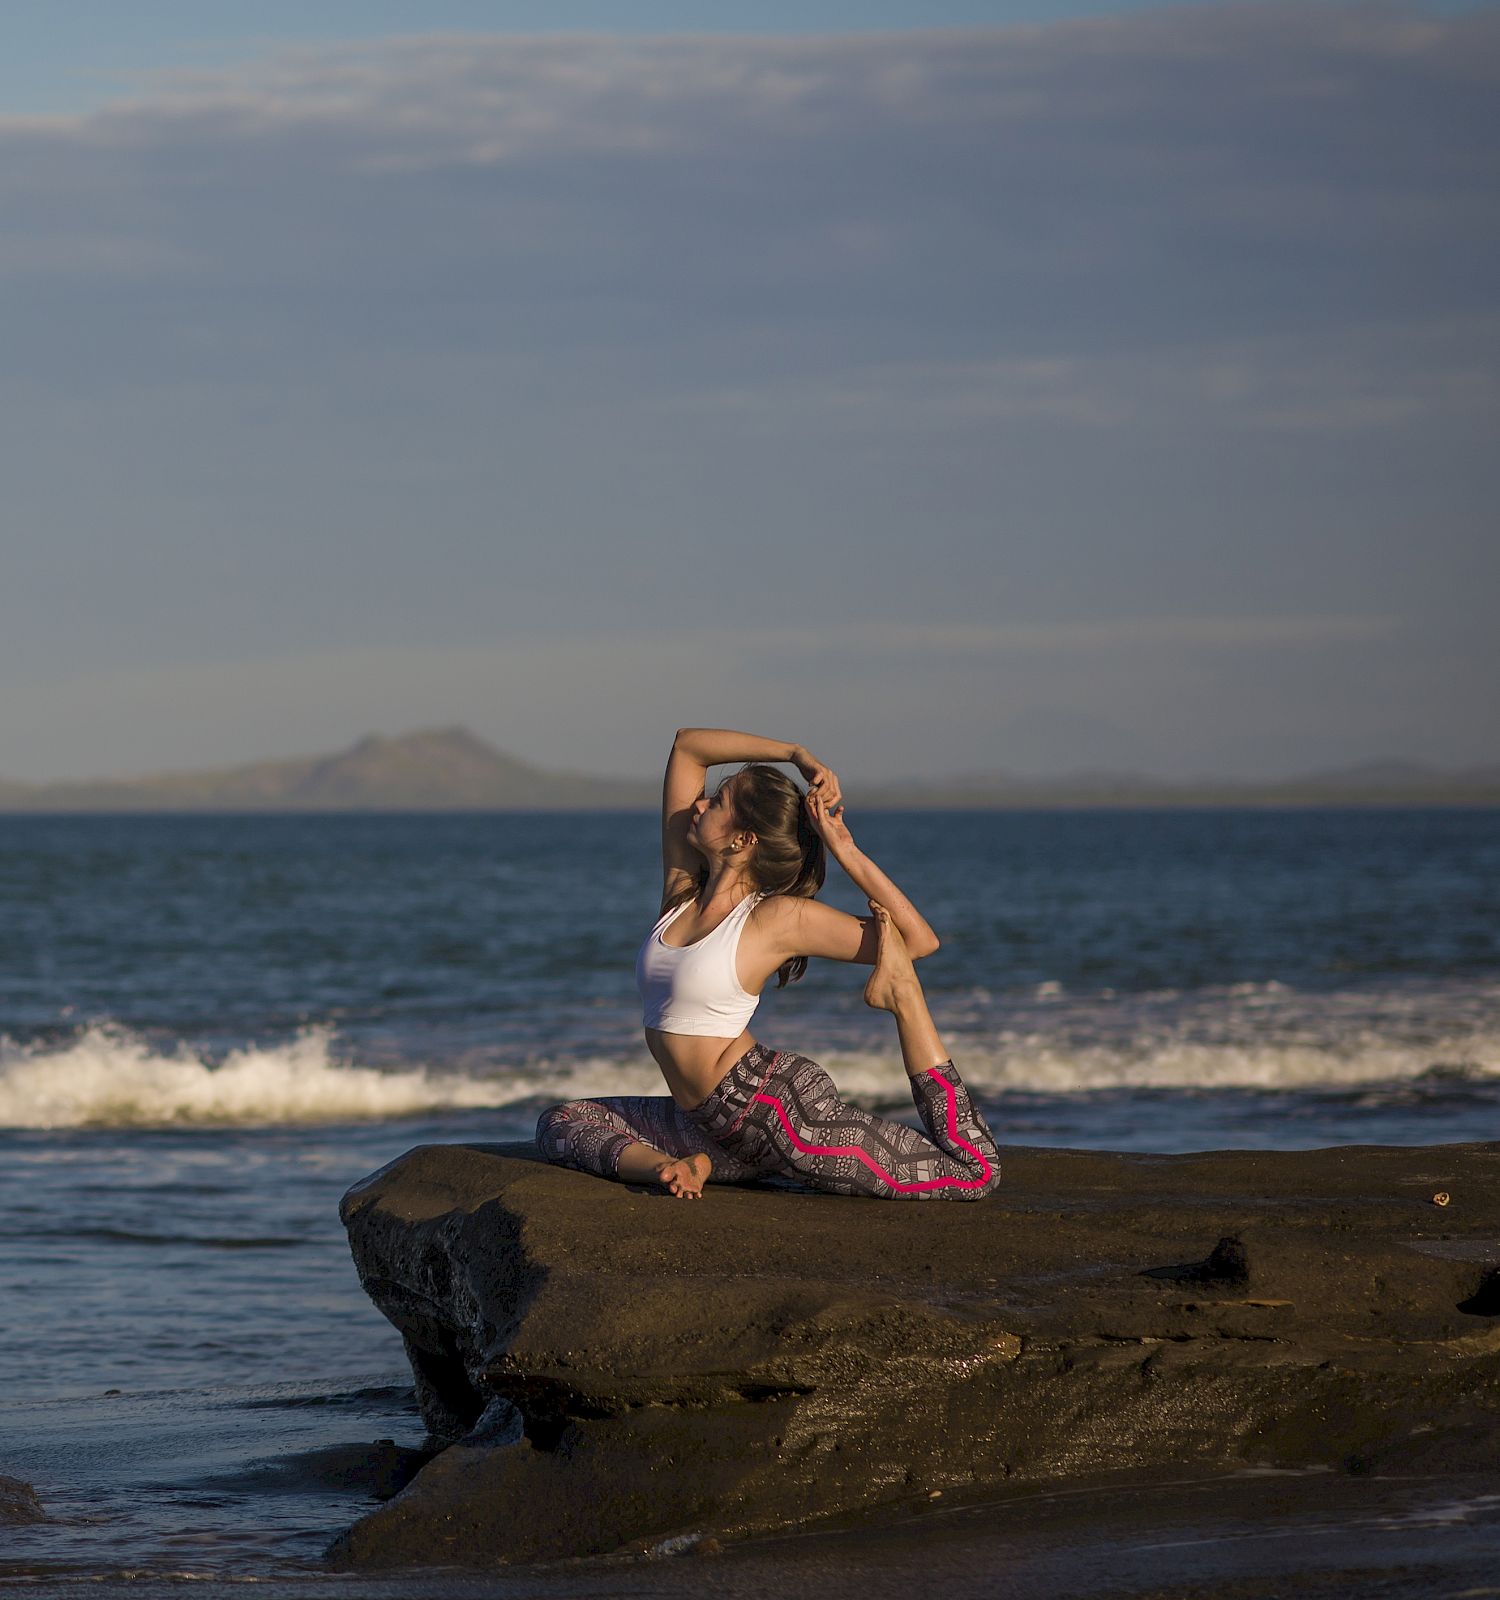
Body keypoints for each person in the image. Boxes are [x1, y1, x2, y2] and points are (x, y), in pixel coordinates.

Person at [536, 727, 1001, 1201]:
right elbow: (688, 748)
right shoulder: (681, 892)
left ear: (743, 839)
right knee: (561, 1123)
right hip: (707, 1125)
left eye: (716, 803)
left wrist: (844, 849)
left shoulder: (776, 918)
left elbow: (917, 940)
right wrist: (794, 754)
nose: (698, 805)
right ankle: (673, 1168)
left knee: (974, 1174)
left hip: (775, 1112)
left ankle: (903, 998)